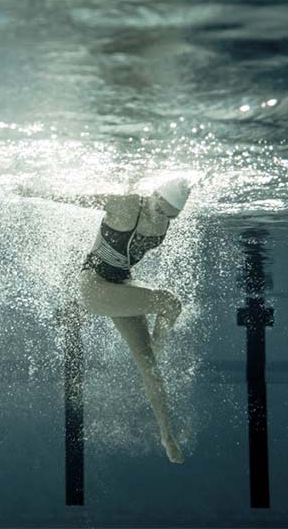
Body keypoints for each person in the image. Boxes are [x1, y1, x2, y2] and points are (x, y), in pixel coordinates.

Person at [23, 174, 195, 464]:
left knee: (149, 365)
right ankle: (155, 342)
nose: (164, 217)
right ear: (154, 195)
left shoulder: (165, 217)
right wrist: (32, 190)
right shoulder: (127, 205)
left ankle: (166, 435)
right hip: (94, 287)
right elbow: (77, 197)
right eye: (162, 209)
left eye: (171, 216)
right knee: (170, 302)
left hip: (122, 284)